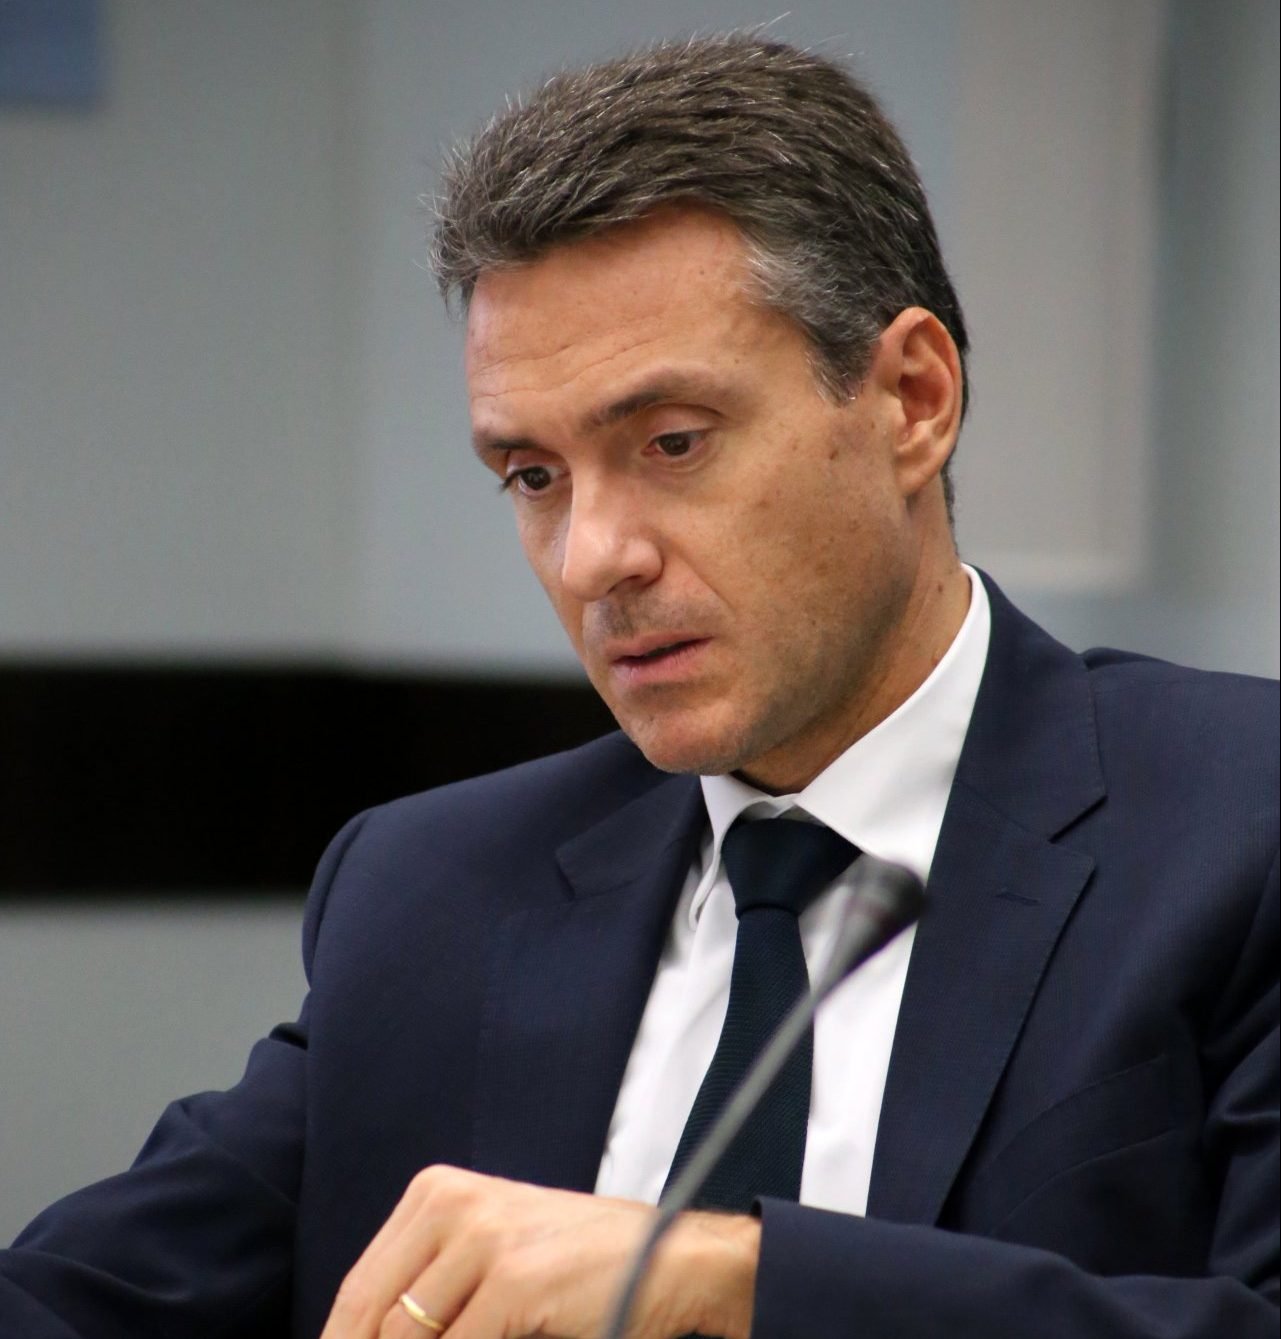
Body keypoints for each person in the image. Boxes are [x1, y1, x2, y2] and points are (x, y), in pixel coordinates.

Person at [2, 32, 1276, 1339]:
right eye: (532, 476)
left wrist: (727, 1279)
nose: (591, 558)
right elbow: (83, 1298)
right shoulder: (426, 896)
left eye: (671, 443)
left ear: (911, 399)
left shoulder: (1237, 830)